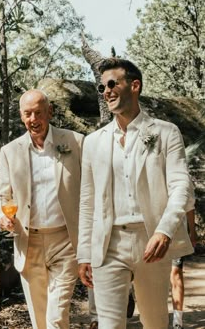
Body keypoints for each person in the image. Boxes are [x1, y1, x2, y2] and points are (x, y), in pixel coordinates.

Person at [77, 58, 194, 329]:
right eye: (101, 87)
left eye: (112, 83)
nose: (105, 91)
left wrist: (164, 231)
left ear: (135, 85)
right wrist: (84, 253)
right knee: (108, 325)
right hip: (109, 244)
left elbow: (180, 186)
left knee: (154, 322)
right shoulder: (93, 143)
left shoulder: (166, 133)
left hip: (151, 239)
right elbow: (87, 201)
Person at [0, 89, 84, 329]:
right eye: (28, 114)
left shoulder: (75, 142)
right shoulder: (9, 152)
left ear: (50, 112)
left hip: (66, 240)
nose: (34, 119)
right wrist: (2, 216)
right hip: (28, 241)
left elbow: (90, 190)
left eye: (38, 113)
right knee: (40, 320)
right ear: (22, 116)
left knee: (56, 315)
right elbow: (3, 196)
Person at [170, 208, 197, 329]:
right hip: (150, 233)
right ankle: (129, 291)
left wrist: (192, 231)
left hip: (177, 234)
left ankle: (177, 322)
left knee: (176, 272)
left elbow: (189, 204)